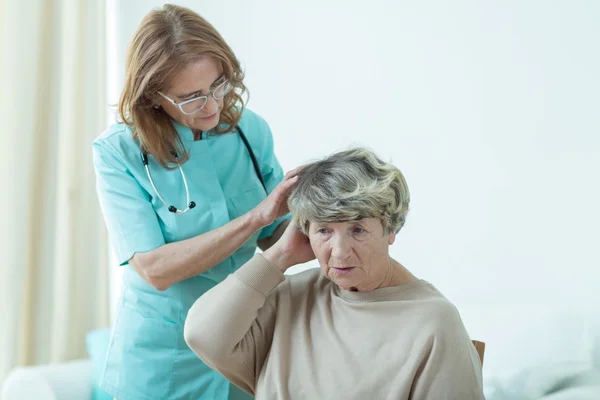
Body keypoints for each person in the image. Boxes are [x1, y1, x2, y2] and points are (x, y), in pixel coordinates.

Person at [92, 4, 296, 400]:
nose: (213, 106)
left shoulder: (249, 130)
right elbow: (154, 269)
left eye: (219, 85)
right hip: (164, 358)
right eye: (191, 97)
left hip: (241, 343)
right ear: (153, 96)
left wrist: (326, 217)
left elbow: (275, 232)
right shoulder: (118, 153)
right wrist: (254, 219)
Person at [184, 148, 486, 399]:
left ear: (390, 228)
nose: (339, 252)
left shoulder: (433, 323)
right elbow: (202, 334)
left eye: (357, 229)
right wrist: (280, 255)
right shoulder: (289, 297)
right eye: (324, 231)